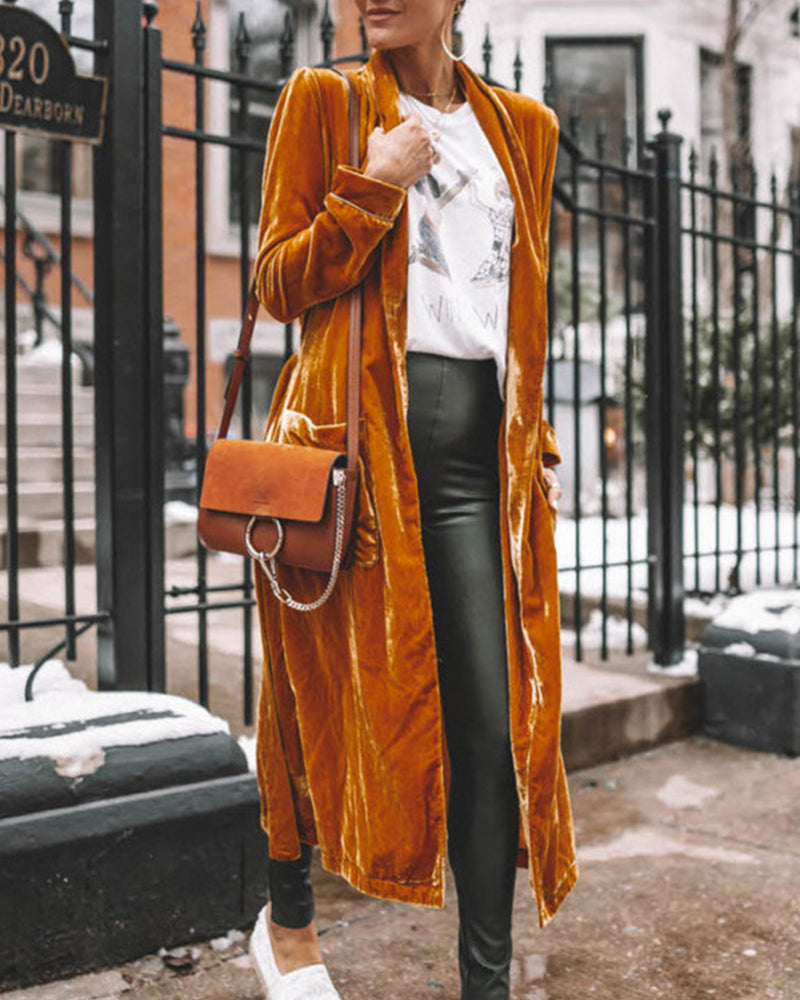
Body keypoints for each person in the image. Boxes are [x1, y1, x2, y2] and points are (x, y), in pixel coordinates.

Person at [247, 2, 578, 998]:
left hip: (479, 460)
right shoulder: (325, 102)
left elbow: (512, 304)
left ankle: (485, 984)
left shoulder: (524, 130)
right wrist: (369, 191)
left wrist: (533, 436)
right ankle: (288, 918)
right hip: (353, 451)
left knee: (489, 720)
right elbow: (273, 282)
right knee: (310, 701)